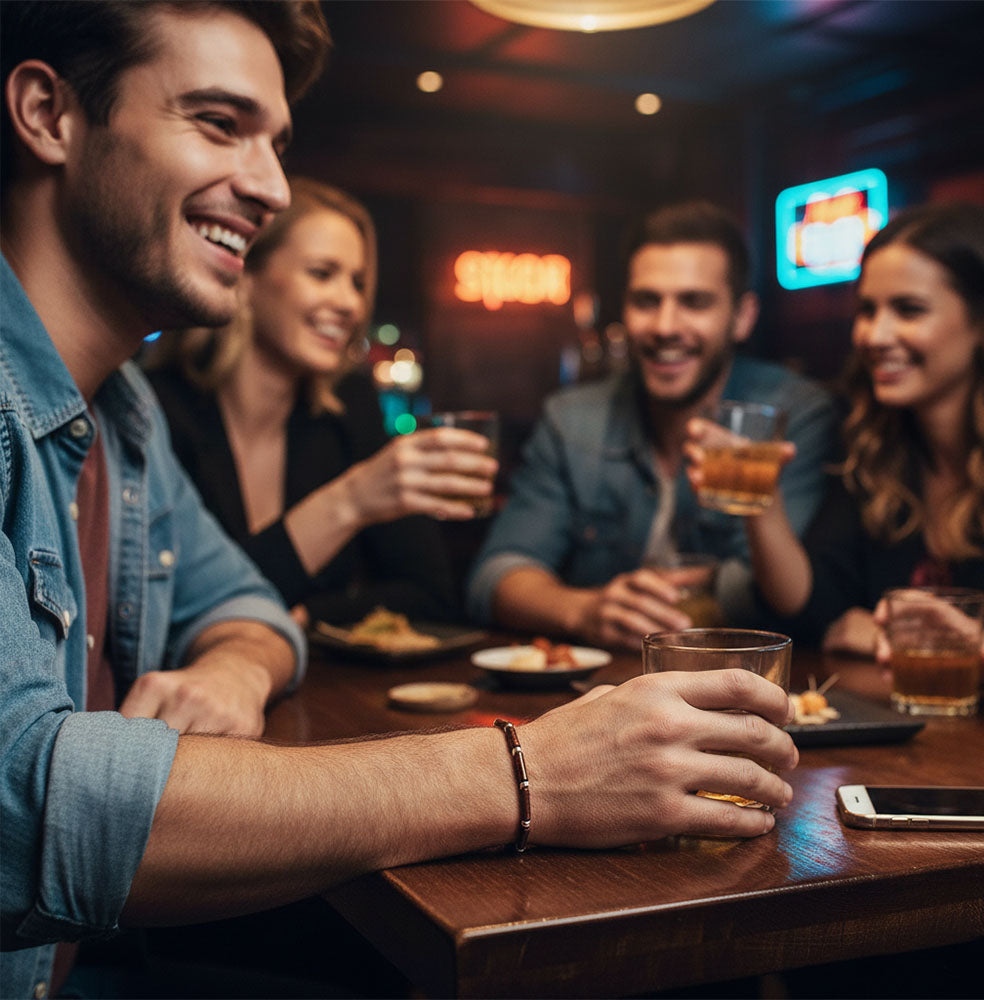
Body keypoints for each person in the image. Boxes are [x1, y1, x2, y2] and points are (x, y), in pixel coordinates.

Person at [0, 4, 798, 998]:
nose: (270, 186)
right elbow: (24, 808)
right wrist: (530, 772)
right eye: (217, 123)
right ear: (48, 114)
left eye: (277, 144)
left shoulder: (123, 419)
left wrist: (238, 665)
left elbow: (250, 603)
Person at [466, 201, 837, 649]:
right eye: (646, 301)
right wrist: (582, 610)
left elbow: (790, 594)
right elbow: (495, 576)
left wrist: (725, 582)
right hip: (601, 697)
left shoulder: (793, 412)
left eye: (694, 302)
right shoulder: (573, 419)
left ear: (742, 317)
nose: (664, 326)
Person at [145, 176, 491, 630]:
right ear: (245, 276)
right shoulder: (158, 407)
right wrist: (350, 500)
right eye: (322, 273)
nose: (350, 303)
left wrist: (308, 618)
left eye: (358, 282)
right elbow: (174, 611)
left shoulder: (349, 405)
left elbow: (431, 595)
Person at [686, 201, 984, 668]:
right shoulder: (874, 445)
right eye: (867, 310)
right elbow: (810, 606)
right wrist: (762, 498)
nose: (874, 335)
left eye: (909, 310)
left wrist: (982, 648)